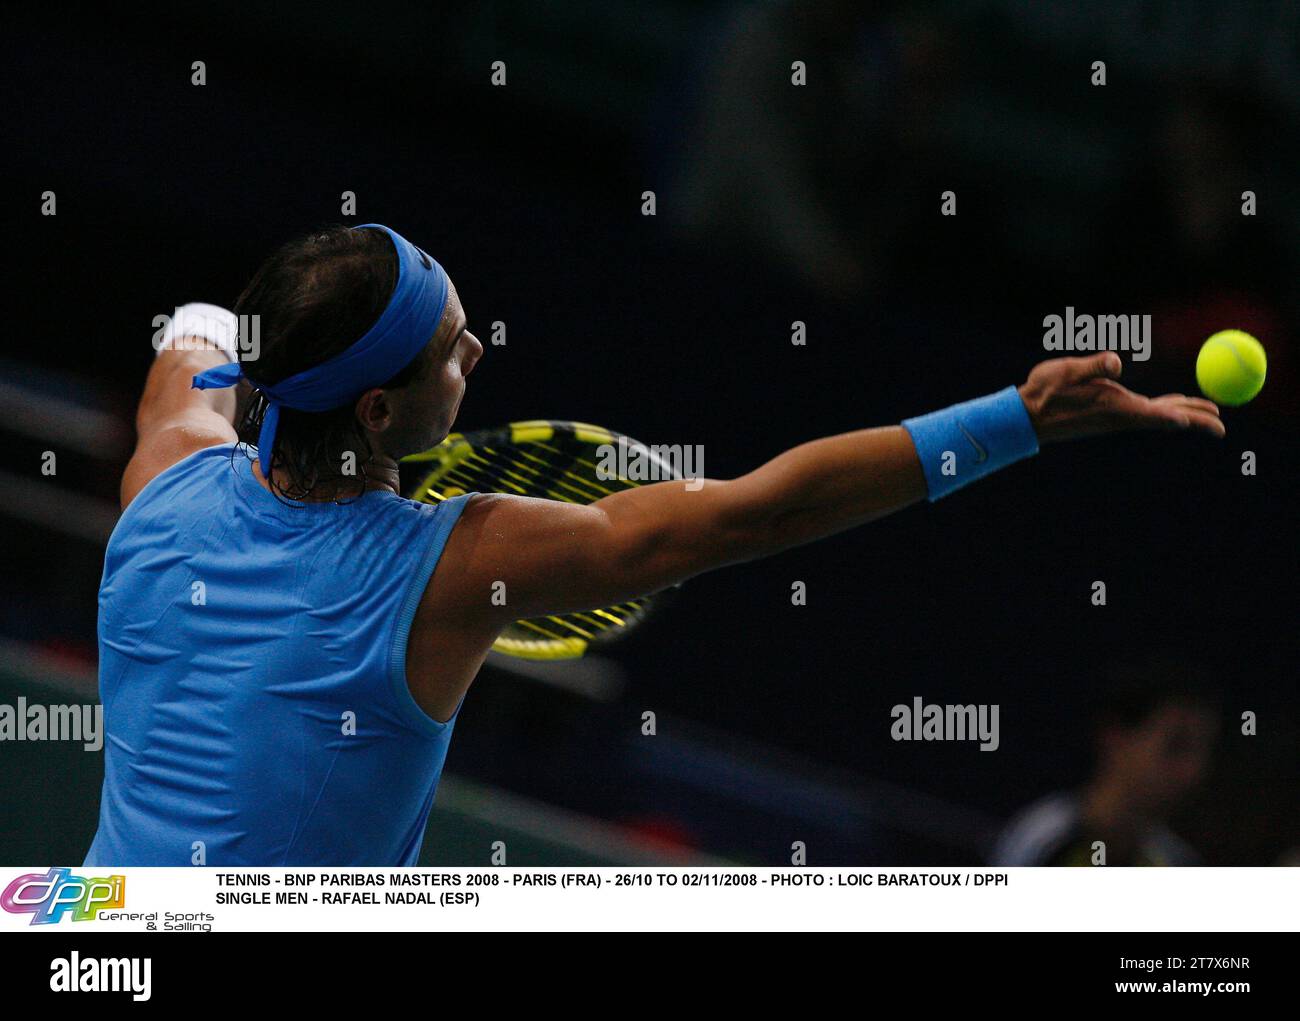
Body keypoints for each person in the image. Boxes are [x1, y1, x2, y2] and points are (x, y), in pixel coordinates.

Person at [85, 224, 1224, 866]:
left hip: (89, 926)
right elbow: (755, 512)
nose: (473, 349)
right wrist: (1015, 419)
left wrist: (235, 329)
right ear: (378, 412)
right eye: (444, 349)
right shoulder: (447, 565)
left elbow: (190, 350)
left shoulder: (166, 472)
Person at [991, 653, 1221, 866]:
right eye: (1176, 747)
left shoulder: (1178, 861)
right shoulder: (1041, 843)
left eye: (1201, 751)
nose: (1193, 770)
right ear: (1116, 738)